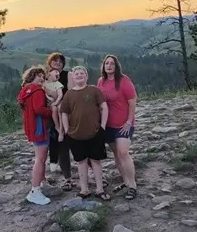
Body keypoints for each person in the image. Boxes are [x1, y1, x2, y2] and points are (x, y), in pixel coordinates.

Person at [60, 65, 110, 200]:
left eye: (82, 73)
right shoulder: (69, 94)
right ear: (73, 77)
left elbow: (104, 107)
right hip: (75, 134)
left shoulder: (94, 90)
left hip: (94, 133)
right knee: (81, 162)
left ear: (86, 76)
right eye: (77, 74)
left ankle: (100, 189)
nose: (79, 75)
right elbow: (64, 113)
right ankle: (84, 189)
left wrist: (103, 126)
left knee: (96, 161)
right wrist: (66, 129)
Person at [98, 54, 138, 200]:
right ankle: (126, 182)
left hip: (123, 125)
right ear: (103, 66)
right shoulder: (101, 82)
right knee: (116, 154)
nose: (109, 66)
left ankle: (133, 186)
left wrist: (129, 122)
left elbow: (132, 101)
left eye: (112, 64)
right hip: (108, 124)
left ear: (116, 66)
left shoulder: (123, 80)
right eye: (106, 63)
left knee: (123, 152)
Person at [17, 66, 53, 206]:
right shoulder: (38, 91)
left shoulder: (26, 91)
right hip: (40, 128)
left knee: (40, 158)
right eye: (39, 76)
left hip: (32, 128)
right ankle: (35, 191)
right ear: (32, 76)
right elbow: (39, 110)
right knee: (40, 158)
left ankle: (41, 183)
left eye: (43, 77)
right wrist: (52, 111)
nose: (42, 79)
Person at [45, 52, 73, 189]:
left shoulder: (67, 75)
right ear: (49, 63)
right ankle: (68, 178)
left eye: (60, 61)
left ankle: (98, 175)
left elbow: (72, 93)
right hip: (52, 115)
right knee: (61, 147)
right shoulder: (45, 76)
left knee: (80, 144)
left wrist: (57, 98)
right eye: (55, 61)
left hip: (69, 113)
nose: (57, 63)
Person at [44, 68, 65, 141]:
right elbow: (45, 93)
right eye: (56, 72)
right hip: (50, 102)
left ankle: (62, 129)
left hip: (58, 101)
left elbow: (60, 95)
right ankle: (57, 126)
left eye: (58, 73)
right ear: (49, 73)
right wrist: (50, 99)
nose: (58, 73)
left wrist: (56, 102)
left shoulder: (57, 83)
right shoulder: (44, 83)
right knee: (54, 109)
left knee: (60, 108)